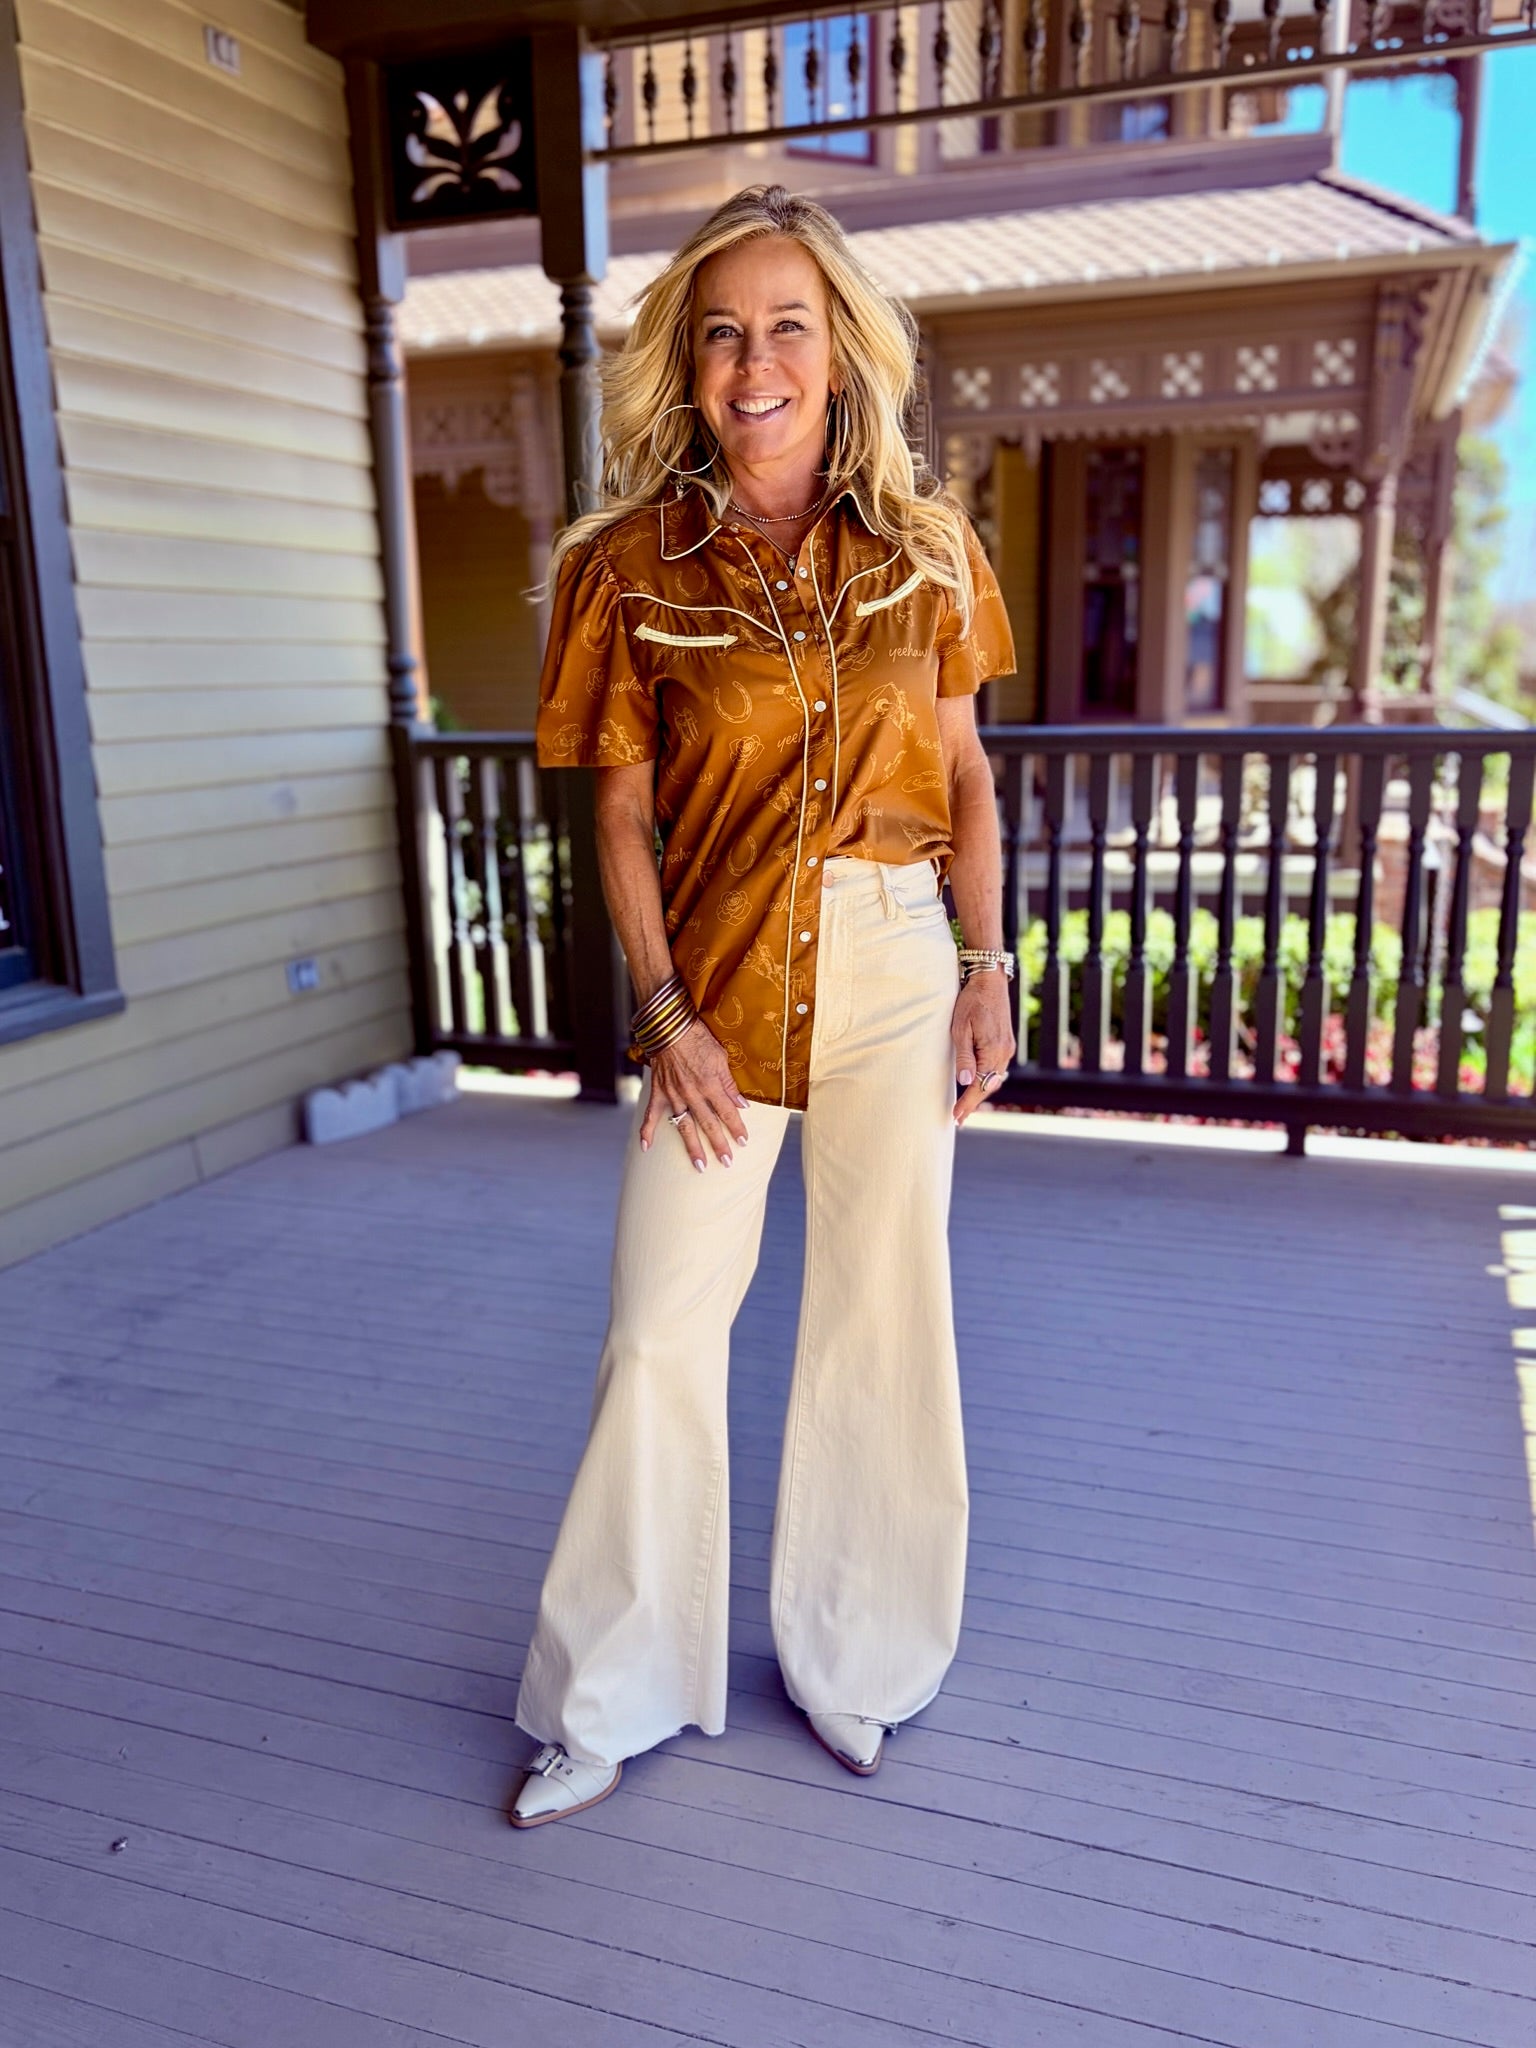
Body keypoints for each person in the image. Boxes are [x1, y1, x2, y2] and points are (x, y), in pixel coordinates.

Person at [509, 184, 1016, 1828]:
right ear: (689, 362)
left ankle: (857, 1660)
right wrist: (663, 1015)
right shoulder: (619, 569)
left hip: (895, 964)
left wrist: (987, 967)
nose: (755, 361)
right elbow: (619, 816)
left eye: (789, 324)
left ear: (841, 350)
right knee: (660, 1322)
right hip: (715, 980)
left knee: (881, 1313)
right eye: (722, 331)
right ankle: (610, 1693)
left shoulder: (929, 551)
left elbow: (966, 778)